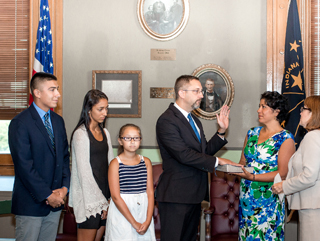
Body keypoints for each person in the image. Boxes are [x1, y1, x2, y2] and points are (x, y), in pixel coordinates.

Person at [155, 75, 236, 241]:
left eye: (202, 91)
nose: (201, 95)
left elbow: (203, 152)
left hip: (194, 194)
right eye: (197, 91)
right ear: (182, 93)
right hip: (175, 196)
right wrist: (218, 161)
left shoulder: (195, 121)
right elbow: (183, 155)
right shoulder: (166, 120)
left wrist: (221, 132)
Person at [8, 72, 70, 241]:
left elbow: (64, 158)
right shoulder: (20, 123)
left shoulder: (58, 121)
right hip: (31, 204)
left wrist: (64, 189)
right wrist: (48, 195)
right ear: (37, 92)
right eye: (52, 89)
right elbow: (24, 166)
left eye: (57, 89)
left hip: (56, 204)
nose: (57, 94)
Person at [272, 96, 320, 241]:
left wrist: (284, 186)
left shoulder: (313, 137)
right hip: (319, 206)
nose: (300, 112)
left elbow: (309, 176)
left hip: (316, 208)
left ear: (315, 113)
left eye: (304, 109)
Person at [234, 91, 295, 241]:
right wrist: (231, 169)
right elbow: (243, 162)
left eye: (263, 107)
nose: (258, 110)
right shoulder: (252, 133)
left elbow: (282, 174)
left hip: (269, 198)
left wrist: (253, 177)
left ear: (276, 112)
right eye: (259, 106)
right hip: (246, 196)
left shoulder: (285, 138)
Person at [69, 89, 114, 241]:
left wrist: (110, 199)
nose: (105, 112)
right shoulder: (80, 134)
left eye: (106, 108)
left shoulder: (105, 132)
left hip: (106, 197)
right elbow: (84, 174)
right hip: (90, 200)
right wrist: (102, 202)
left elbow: (111, 166)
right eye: (100, 109)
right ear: (89, 110)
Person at [105, 124, 155, 240]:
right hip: (122, 212)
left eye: (136, 138)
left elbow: (150, 193)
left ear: (140, 140)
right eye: (127, 138)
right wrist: (133, 222)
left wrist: (147, 220)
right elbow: (115, 196)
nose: (132, 141)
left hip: (143, 210)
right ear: (120, 141)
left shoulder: (146, 162)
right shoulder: (115, 164)